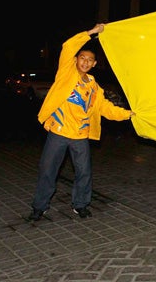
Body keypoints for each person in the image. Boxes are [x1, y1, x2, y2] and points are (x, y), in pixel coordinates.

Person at [28, 24, 134, 221]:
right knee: (48, 171)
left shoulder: (94, 87)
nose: (85, 62)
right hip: (59, 132)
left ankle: (80, 204)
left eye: (89, 60)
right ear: (76, 60)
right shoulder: (66, 73)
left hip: (80, 135)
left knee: (84, 173)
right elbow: (68, 46)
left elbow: (105, 108)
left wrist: (128, 114)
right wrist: (91, 33)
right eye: (82, 58)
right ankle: (40, 206)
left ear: (94, 64)